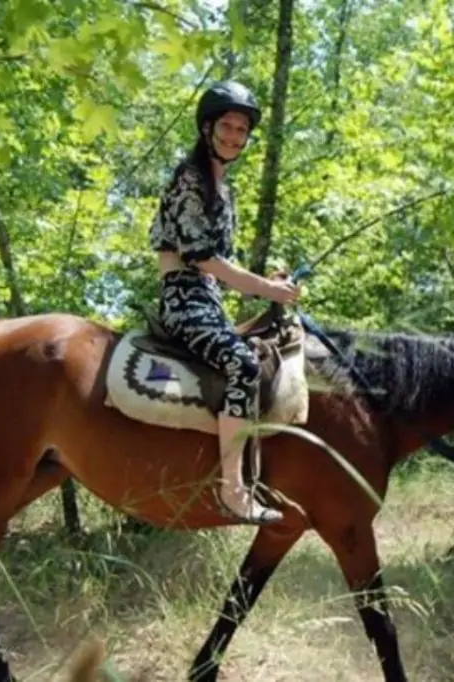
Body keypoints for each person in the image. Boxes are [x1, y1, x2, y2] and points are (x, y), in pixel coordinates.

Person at [148, 80, 297, 525]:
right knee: (242, 364)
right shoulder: (189, 177)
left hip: (210, 302)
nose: (235, 136)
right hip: (183, 299)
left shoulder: (224, 188)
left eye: (242, 130)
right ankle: (233, 490)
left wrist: (268, 281)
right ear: (208, 127)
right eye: (227, 126)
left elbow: (223, 265)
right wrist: (266, 291)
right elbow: (201, 257)